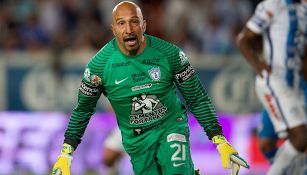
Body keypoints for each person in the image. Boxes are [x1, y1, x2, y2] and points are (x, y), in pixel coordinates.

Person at [51, 1, 249, 175]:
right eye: (121, 23)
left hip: (170, 125)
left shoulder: (170, 54)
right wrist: (66, 153)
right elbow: (83, 110)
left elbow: (196, 97)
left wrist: (219, 139)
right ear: (113, 29)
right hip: (136, 141)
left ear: (143, 25)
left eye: (134, 21)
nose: (128, 29)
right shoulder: (99, 66)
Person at [236, 0, 307, 174]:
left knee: (299, 141)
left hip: (296, 85)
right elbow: (244, 39)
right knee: (298, 138)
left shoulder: (303, 11)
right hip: (277, 82)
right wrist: (260, 66)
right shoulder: (273, 4)